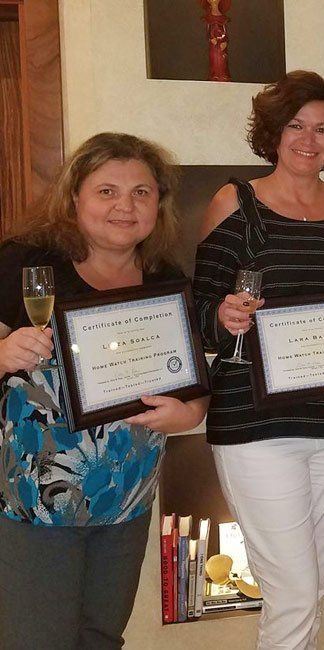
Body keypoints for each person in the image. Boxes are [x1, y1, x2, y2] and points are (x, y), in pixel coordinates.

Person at [192, 70, 324, 650]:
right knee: (296, 592)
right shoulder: (235, 202)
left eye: (322, 129)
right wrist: (223, 318)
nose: (309, 139)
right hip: (254, 425)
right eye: (296, 125)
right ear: (273, 132)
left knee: (307, 590)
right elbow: (199, 311)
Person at [0, 132, 209, 649]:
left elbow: (195, 382)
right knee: (37, 640)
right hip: (36, 506)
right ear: (75, 198)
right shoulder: (23, 264)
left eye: (141, 192)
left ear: (158, 204)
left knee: (101, 638)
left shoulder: (164, 277)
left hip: (127, 501)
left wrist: (188, 416)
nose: (125, 206)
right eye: (106, 191)